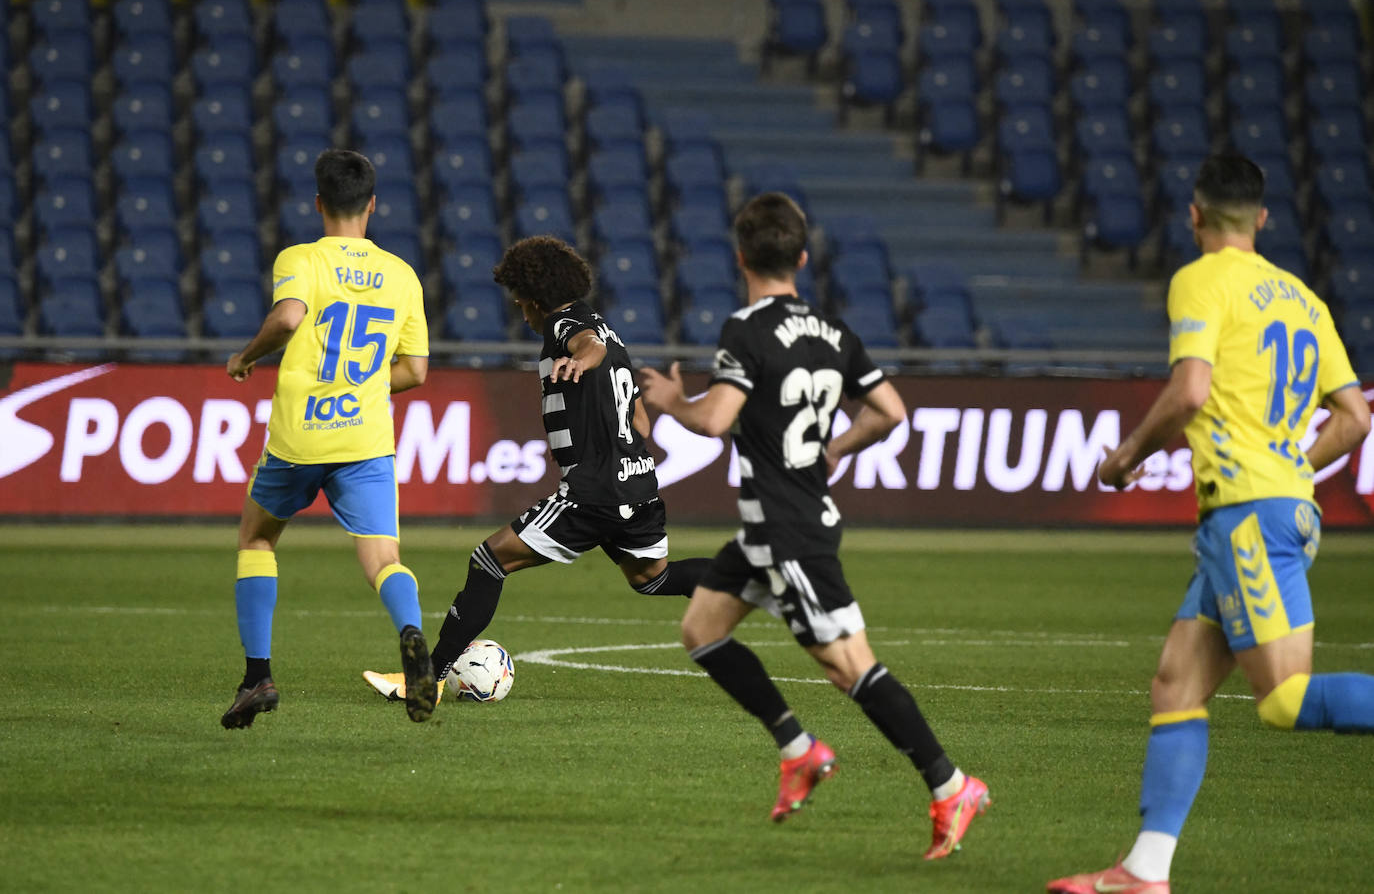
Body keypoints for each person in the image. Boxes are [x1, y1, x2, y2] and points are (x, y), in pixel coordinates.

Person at [1047, 154, 1373, 893]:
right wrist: (1294, 462)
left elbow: (1190, 390)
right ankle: (1144, 872)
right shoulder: (1302, 298)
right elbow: (1354, 417)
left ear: (1194, 217)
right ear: (1261, 219)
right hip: (1277, 507)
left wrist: (1127, 455)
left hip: (1248, 516)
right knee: (1175, 685)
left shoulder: (1199, 279)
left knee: (1285, 701)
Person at [639, 193, 989, 859]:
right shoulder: (834, 333)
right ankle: (799, 750)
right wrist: (834, 449)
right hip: (772, 526)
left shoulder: (745, 328)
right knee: (701, 629)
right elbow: (889, 410)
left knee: (848, 665)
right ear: (801, 258)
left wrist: (669, 401)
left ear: (740, 258)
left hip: (787, 530)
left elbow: (715, 421)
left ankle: (951, 784)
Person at [362, 235, 710, 703]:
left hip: (594, 492)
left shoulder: (567, 325)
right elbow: (638, 417)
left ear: (532, 297)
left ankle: (427, 679)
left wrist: (577, 363)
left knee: (489, 560)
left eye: (518, 300)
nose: (519, 310)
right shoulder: (607, 326)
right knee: (654, 578)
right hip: (639, 487)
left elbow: (589, 348)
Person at [220, 149, 437, 729]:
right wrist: (362, 383)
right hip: (365, 439)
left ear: (318, 204)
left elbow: (289, 319)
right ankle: (412, 635)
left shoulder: (301, 258)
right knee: (383, 558)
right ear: (372, 204)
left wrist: (245, 356)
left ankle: (257, 676)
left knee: (257, 539)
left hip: (299, 435)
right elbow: (415, 372)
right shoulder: (401, 275)